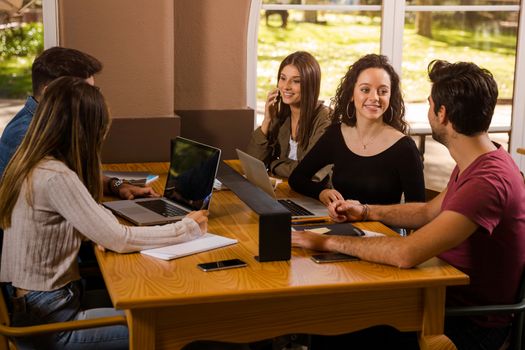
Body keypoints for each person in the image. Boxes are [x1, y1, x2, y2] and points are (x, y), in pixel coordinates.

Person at [292, 60, 525, 350]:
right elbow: (428, 211)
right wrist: (365, 210)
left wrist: (325, 243)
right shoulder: (478, 162)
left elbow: (406, 253)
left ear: (442, 113)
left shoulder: (487, 181)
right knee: (333, 314)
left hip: (461, 323)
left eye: (429, 104)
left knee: (338, 325)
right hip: (436, 294)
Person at [0, 76, 209, 350]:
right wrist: (187, 227)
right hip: (52, 325)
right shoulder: (55, 176)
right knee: (181, 327)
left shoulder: (31, 161)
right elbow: (118, 239)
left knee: (157, 302)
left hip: (37, 305)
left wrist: (104, 223)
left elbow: (99, 225)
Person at [0, 46, 155, 200]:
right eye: (85, 93)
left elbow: (76, 177)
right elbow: (67, 193)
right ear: (50, 93)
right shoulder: (25, 137)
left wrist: (116, 185)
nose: (93, 100)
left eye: (94, 91)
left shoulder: (54, 124)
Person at [289, 54, 425, 208]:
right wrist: (321, 192)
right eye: (365, 89)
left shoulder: (405, 148)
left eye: (383, 91)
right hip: (341, 225)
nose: (374, 97)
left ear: (390, 96)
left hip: (385, 231)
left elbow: (418, 213)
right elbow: (297, 178)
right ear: (352, 94)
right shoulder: (336, 135)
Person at [247, 51, 331, 178]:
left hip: (317, 196)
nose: (286, 86)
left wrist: (272, 164)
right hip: (287, 191)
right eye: (283, 78)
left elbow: (309, 173)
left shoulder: (325, 119)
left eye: (296, 81)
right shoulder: (282, 116)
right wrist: (267, 121)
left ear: (310, 85)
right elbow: (252, 164)